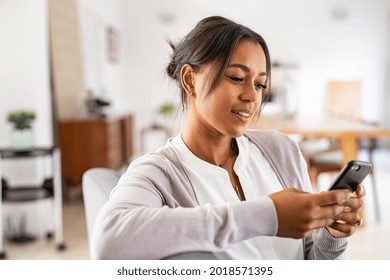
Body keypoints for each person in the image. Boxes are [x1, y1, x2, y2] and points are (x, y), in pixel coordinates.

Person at [91, 16, 365, 260]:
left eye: (260, 84)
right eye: (236, 78)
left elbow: (311, 261)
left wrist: (331, 234)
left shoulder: (282, 151)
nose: (252, 96)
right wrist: (269, 216)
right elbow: (108, 243)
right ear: (190, 80)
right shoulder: (157, 173)